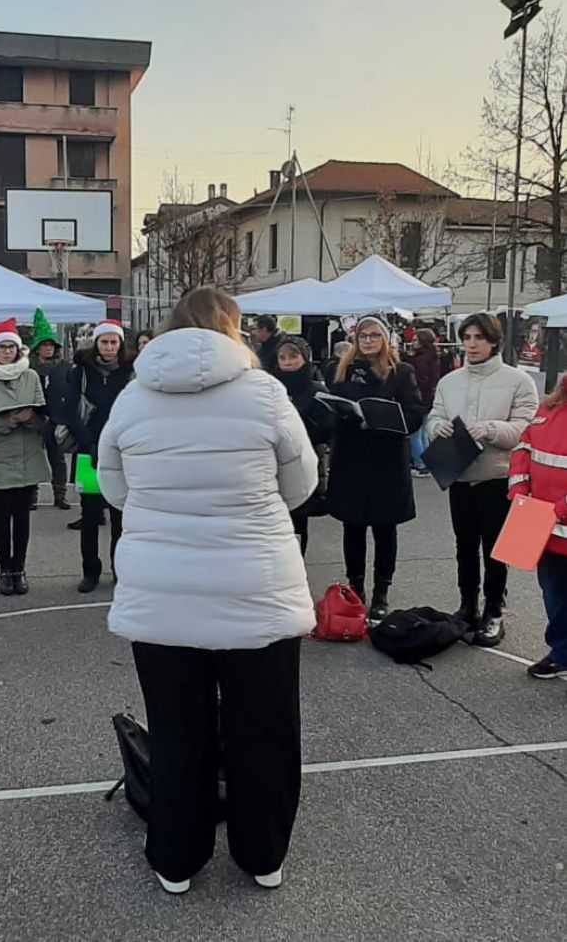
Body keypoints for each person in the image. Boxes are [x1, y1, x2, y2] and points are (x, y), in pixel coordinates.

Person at [98, 287, 318, 894]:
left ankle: (176, 857)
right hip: (255, 585)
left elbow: (113, 486)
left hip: (162, 589)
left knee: (176, 730)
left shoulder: (133, 397)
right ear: (233, 328)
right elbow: (300, 483)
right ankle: (262, 853)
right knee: (265, 730)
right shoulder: (265, 392)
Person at [427, 313, 538, 645]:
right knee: (464, 545)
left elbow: (527, 428)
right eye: (467, 338)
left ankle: (494, 609)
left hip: (498, 476)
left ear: (494, 342)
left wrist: (491, 428)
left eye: (478, 338)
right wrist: (438, 428)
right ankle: (467, 605)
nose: (471, 344)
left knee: (497, 548)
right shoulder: (450, 381)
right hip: (459, 473)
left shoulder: (519, 380)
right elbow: (435, 416)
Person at [326, 316, 424, 624]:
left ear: (385, 339)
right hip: (352, 457)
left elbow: (415, 414)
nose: (368, 341)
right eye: (362, 336)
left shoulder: (401, 372)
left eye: (373, 336)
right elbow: (331, 410)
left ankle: (382, 592)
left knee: (385, 527)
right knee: (352, 526)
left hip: (386, 458)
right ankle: (356, 587)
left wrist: (385, 420)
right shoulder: (340, 371)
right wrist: (342, 418)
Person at [0, 319, 49, 596]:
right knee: (2, 516)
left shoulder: (31, 376)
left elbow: (43, 414)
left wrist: (34, 418)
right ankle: (5, 569)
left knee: (23, 516)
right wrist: (10, 419)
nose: (7, 351)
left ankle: (20, 568)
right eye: (2, 347)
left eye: (11, 347)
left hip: (28, 452)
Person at [65, 319, 133, 594]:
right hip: (88, 453)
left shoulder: (130, 373)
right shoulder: (82, 371)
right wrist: (90, 444)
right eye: (104, 342)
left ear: (120, 344)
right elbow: (71, 411)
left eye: (113, 342)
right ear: (96, 344)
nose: (108, 347)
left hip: (120, 453)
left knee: (120, 517)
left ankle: (120, 571)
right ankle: (89, 571)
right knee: (90, 515)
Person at [508, 373, 567, 677]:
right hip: (540, 522)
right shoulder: (549, 407)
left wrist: (558, 509)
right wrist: (519, 491)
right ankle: (561, 653)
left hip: (552, 517)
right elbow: (523, 449)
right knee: (553, 593)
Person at [273, 336, 334, 555]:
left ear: (305, 359)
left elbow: (327, 429)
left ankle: (298, 561)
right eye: (282, 357)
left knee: (299, 518)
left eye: (293, 356)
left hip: (304, 460)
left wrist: (301, 429)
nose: (287, 362)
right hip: (272, 463)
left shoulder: (316, 389)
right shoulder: (271, 387)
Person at [28, 307, 71, 511]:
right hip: (35, 418)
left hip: (57, 418)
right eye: (44, 345)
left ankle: (60, 494)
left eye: (51, 345)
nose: (48, 349)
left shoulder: (64, 367)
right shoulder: (29, 368)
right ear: (37, 348)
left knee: (58, 460)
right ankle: (32, 496)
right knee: (34, 459)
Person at [408, 329, 441, 477]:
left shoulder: (421, 359)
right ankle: (428, 462)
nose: (412, 343)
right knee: (423, 433)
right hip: (429, 398)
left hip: (421, 398)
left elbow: (421, 380)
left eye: (415, 340)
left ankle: (420, 464)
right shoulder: (434, 356)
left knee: (416, 433)